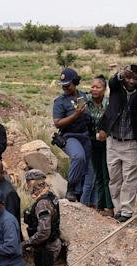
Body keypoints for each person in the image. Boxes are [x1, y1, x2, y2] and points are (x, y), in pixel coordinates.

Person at [101, 65, 137, 221]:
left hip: (132, 143)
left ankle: (127, 211)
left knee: (129, 179)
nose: (131, 81)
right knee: (114, 178)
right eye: (128, 77)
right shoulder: (116, 89)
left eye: (135, 78)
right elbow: (113, 81)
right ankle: (118, 209)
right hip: (113, 141)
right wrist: (121, 74)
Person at [52, 67, 92, 202]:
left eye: (67, 85)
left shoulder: (84, 96)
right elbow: (57, 123)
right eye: (63, 86)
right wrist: (75, 115)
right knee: (78, 157)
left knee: (87, 168)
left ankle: (84, 197)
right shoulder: (60, 101)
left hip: (86, 135)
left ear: (75, 82)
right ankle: (71, 187)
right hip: (70, 136)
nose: (65, 88)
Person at [85, 76, 113, 212]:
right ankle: (99, 205)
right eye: (92, 87)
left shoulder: (108, 103)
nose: (94, 89)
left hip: (107, 143)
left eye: (98, 87)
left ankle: (109, 206)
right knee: (98, 174)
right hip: (92, 142)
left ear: (104, 89)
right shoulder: (86, 102)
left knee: (106, 174)